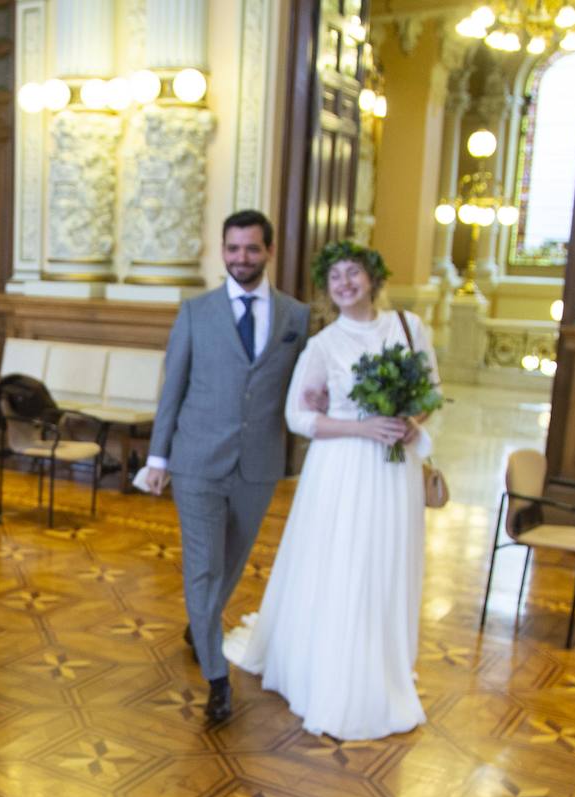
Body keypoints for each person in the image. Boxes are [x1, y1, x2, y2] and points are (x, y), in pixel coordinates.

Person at [223, 241, 433, 740]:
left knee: (386, 560)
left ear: (373, 278)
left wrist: (408, 422)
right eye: (335, 277)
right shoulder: (323, 345)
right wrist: (364, 429)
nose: (344, 284)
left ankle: (383, 664)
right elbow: (299, 417)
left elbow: (429, 392)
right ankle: (337, 669)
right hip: (342, 471)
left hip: (394, 471)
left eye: (353, 273)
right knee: (345, 560)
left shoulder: (409, 327)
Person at [140, 210, 311, 724]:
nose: (242, 259)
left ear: (269, 251)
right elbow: (172, 388)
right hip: (197, 461)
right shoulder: (195, 312)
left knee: (233, 564)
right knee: (204, 566)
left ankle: (202, 624)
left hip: (259, 464)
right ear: (222, 250)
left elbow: (306, 387)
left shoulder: (296, 318)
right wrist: (157, 458)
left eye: (252, 249)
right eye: (233, 249)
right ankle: (217, 677)